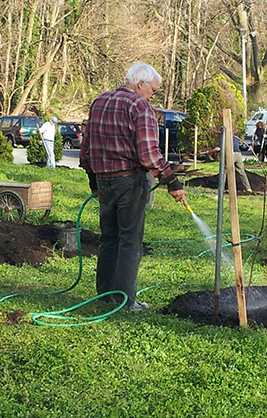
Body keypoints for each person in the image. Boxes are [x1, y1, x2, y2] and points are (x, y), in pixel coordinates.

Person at [79, 62, 187, 312]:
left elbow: (86, 148)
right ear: (140, 84)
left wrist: (93, 180)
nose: (153, 95)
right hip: (129, 182)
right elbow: (149, 153)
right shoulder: (140, 106)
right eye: (154, 90)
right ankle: (125, 301)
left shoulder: (99, 102)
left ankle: (104, 295)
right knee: (130, 241)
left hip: (104, 181)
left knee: (109, 239)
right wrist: (172, 181)